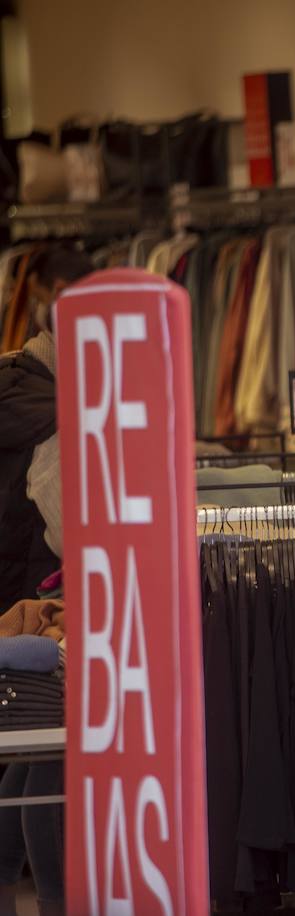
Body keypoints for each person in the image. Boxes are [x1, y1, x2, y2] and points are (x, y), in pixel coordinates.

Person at [0, 244, 94, 916]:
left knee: (34, 753)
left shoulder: (17, 381)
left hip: (19, 588)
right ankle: (57, 901)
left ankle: (12, 888)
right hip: (46, 589)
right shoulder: (56, 408)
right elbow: (63, 520)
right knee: (55, 749)